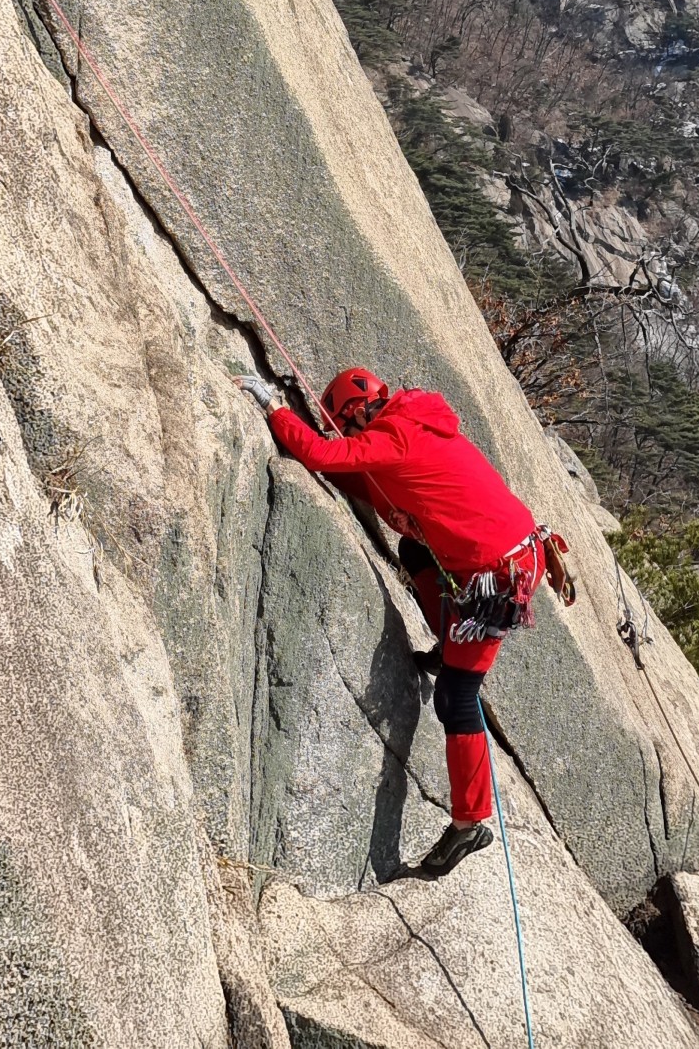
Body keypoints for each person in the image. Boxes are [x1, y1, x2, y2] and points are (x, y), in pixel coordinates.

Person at [236, 365, 571, 879]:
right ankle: (448, 642)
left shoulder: (392, 436)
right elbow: (370, 482)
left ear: (356, 411)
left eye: (348, 426)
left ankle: (469, 822)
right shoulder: (415, 421)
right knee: (414, 547)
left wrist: (276, 409)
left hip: (498, 575)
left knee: (456, 697)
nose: (350, 436)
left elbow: (327, 455)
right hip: (511, 551)